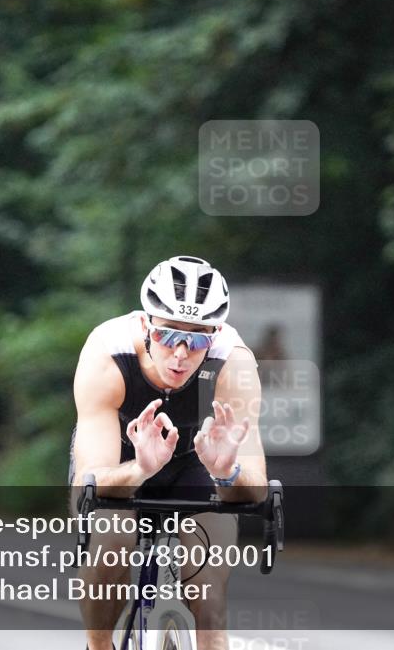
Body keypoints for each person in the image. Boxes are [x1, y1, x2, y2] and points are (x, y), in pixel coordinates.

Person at [69, 255, 267, 650]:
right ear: (145, 325)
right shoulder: (108, 354)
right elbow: (88, 481)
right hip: (124, 460)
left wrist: (227, 470)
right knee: (111, 548)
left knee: (209, 594)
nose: (180, 352)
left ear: (215, 335)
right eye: (168, 334)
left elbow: (255, 489)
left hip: (198, 461)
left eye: (196, 339)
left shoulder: (232, 364)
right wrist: (139, 469)